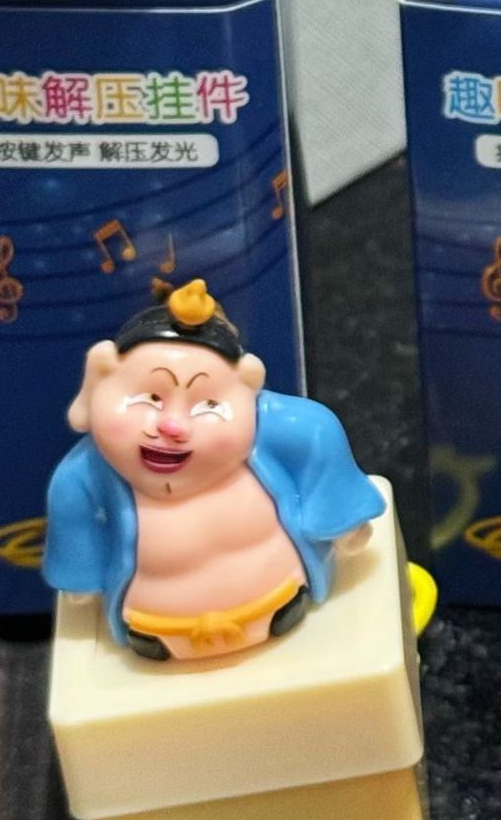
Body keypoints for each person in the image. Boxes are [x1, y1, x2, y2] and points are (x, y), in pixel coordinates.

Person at [43, 280, 383, 660]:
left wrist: (341, 520)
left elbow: (317, 435)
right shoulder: (88, 472)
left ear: (248, 389)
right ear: (102, 374)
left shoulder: (271, 430)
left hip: (274, 603)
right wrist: (81, 577)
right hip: (159, 627)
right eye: (151, 398)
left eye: (207, 406)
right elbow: (73, 515)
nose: (172, 426)